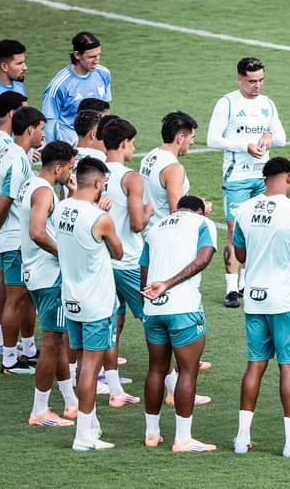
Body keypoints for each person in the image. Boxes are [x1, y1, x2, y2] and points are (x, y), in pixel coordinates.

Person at [231, 157, 290, 458]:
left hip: (255, 298)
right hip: (286, 301)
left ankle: (242, 439)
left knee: (255, 364)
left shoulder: (244, 209)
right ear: (289, 178)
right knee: (289, 368)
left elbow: (240, 254)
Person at [54, 157, 123, 451]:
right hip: (96, 302)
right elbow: (118, 252)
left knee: (82, 362)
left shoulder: (61, 208)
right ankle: (83, 436)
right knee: (90, 369)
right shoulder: (99, 218)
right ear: (97, 183)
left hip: (71, 297)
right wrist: (102, 214)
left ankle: (91, 424)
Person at [207, 57, 286, 309]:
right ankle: (231, 288)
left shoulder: (267, 103)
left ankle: (246, 282)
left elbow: (282, 138)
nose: (258, 85)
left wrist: (269, 135)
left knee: (259, 230)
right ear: (240, 78)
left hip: (264, 178)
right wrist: (244, 145)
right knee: (234, 231)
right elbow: (212, 139)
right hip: (237, 178)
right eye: (252, 81)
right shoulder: (227, 103)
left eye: (261, 80)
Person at [140, 195, 217, 453]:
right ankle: (182, 439)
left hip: (153, 308)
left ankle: (152, 434)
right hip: (183, 308)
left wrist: (150, 298)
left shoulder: (156, 227)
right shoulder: (202, 223)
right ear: (198, 210)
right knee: (188, 371)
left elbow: (144, 270)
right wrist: (170, 285)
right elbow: (204, 259)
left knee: (156, 370)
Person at [19, 141, 79, 426]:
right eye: (70, 167)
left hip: (35, 273)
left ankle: (70, 402)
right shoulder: (44, 191)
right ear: (58, 166)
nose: (71, 171)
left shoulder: (31, 185)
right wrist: (63, 253)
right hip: (50, 276)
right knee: (53, 344)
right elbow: (37, 231)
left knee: (58, 342)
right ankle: (39, 410)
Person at [102, 118, 155, 405]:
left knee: (112, 324)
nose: (134, 147)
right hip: (131, 262)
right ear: (123, 143)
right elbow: (136, 225)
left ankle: (114, 390)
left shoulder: (94, 173)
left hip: (104, 262)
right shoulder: (131, 178)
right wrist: (147, 212)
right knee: (156, 320)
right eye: (132, 143)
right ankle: (172, 387)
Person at [0, 106, 46, 375]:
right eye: (41, 128)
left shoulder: (12, 153)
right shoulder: (16, 160)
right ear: (30, 129)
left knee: (22, 297)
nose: (42, 134)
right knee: (14, 299)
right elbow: (5, 201)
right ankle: (9, 360)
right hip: (13, 238)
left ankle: (25, 350)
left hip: (11, 237)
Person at [42, 32, 111, 145]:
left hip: (96, 142)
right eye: (91, 57)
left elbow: (105, 110)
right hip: (70, 145)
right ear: (77, 55)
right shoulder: (59, 85)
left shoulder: (104, 73)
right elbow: (50, 123)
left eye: (98, 55)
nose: (96, 61)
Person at [0, 91, 26, 357]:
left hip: (5, 231)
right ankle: (8, 354)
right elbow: (7, 195)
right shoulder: (10, 150)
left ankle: (6, 342)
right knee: (14, 296)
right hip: (10, 231)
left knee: (5, 287)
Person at [140, 111, 200, 229]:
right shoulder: (174, 169)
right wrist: (201, 207)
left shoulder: (149, 156)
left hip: (151, 232)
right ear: (181, 138)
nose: (192, 142)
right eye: (192, 137)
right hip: (166, 234)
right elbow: (177, 214)